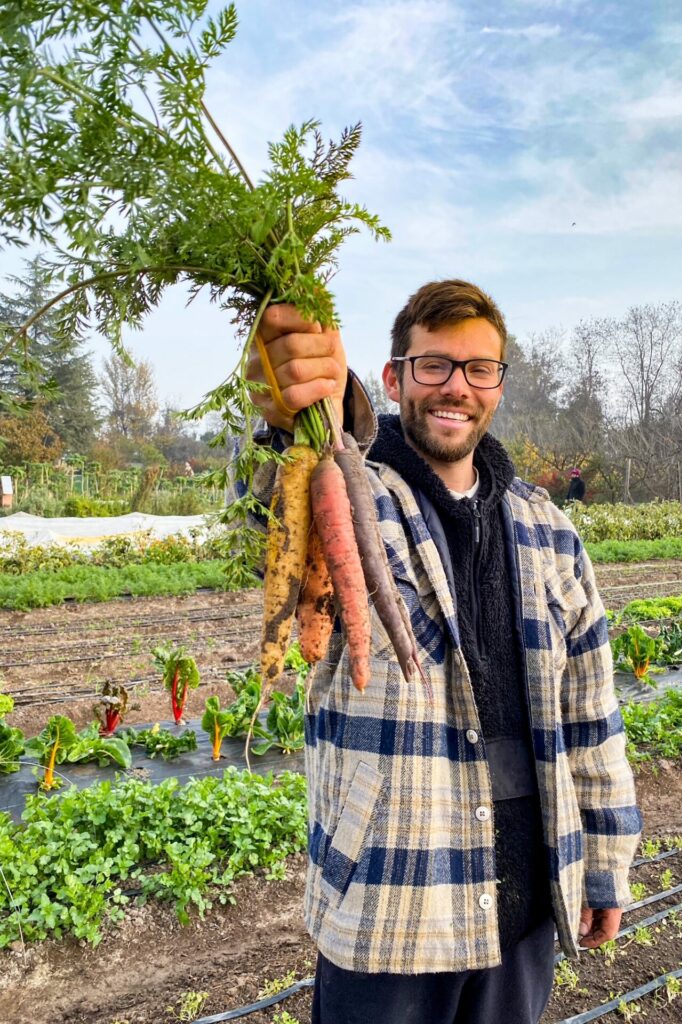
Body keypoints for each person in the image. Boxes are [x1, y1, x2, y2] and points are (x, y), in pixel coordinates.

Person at [239, 280, 641, 1024]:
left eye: (478, 368)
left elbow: (592, 716)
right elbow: (266, 524)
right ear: (393, 379)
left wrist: (607, 867)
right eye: (433, 366)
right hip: (389, 907)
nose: (457, 386)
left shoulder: (550, 532)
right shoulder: (356, 495)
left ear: (498, 384)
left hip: (522, 912)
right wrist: (288, 420)